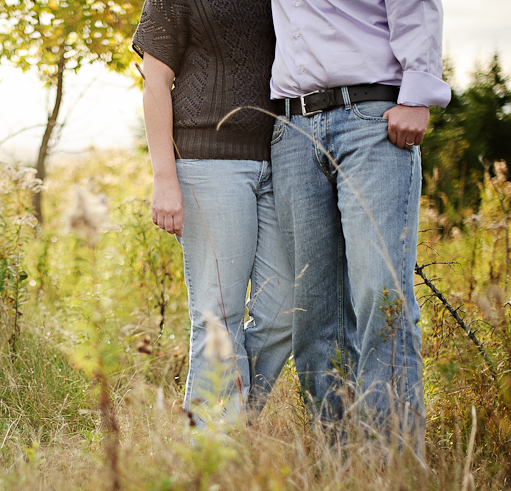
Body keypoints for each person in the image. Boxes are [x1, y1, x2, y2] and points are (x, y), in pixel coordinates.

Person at [268, 0, 451, 450]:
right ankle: (339, 468)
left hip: (372, 120)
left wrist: (417, 96)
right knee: (313, 312)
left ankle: (391, 469)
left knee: (380, 294)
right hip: (292, 131)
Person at [133, 0, 294, 425]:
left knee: (284, 312)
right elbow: (155, 83)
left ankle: (233, 421)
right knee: (218, 314)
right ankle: (211, 447)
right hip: (207, 164)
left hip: (282, 160)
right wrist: (164, 177)